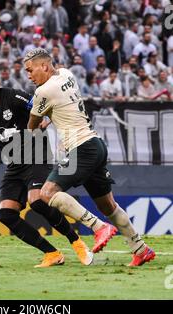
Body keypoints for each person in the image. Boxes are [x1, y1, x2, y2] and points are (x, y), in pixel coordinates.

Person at [0, 62, 94, 268]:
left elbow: (44, 104)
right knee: (6, 214)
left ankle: (76, 242)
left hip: (36, 155)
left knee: (37, 200)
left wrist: (47, 120)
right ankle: (52, 253)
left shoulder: (15, 97)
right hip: (15, 163)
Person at [24, 48, 155, 267]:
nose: (29, 75)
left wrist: (35, 113)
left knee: (46, 193)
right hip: (96, 145)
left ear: (44, 66)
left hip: (81, 149)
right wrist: (48, 116)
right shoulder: (66, 74)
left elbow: (31, 125)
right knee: (108, 205)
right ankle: (140, 249)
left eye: (30, 70)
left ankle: (98, 227)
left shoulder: (43, 91)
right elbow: (61, 107)